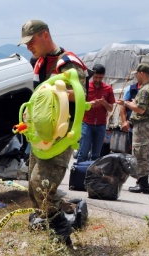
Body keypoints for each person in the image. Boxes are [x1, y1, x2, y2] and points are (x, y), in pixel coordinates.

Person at [19, 19, 88, 244]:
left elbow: (79, 93)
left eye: (32, 41)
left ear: (45, 35)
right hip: (40, 134)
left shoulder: (68, 62)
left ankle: (61, 233)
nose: (29, 46)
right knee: (32, 185)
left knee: (43, 184)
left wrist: (53, 94)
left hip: (61, 133)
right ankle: (51, 221)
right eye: (26, 43)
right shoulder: (38, 63)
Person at [119, 75, 149, 192]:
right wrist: (124, 121)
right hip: (137, 125)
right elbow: (122, 108)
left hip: (147, 126)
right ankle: (141, 182)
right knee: (139, 154)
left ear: (141, 74)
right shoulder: (131, 89)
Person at [77, 64, 115, 163]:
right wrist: (88, 104)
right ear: (92, 75)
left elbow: (110, 109)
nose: (98, 79)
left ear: (103, 76)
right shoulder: (85, 87)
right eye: (96, 77)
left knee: (96, 154)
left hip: (101, 125)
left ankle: (91, 176)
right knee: (83, 152)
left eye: (100, 77)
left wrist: (104, 102)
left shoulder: (108, 89)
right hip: (86, 123)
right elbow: (78, 104)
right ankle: (79, 174)